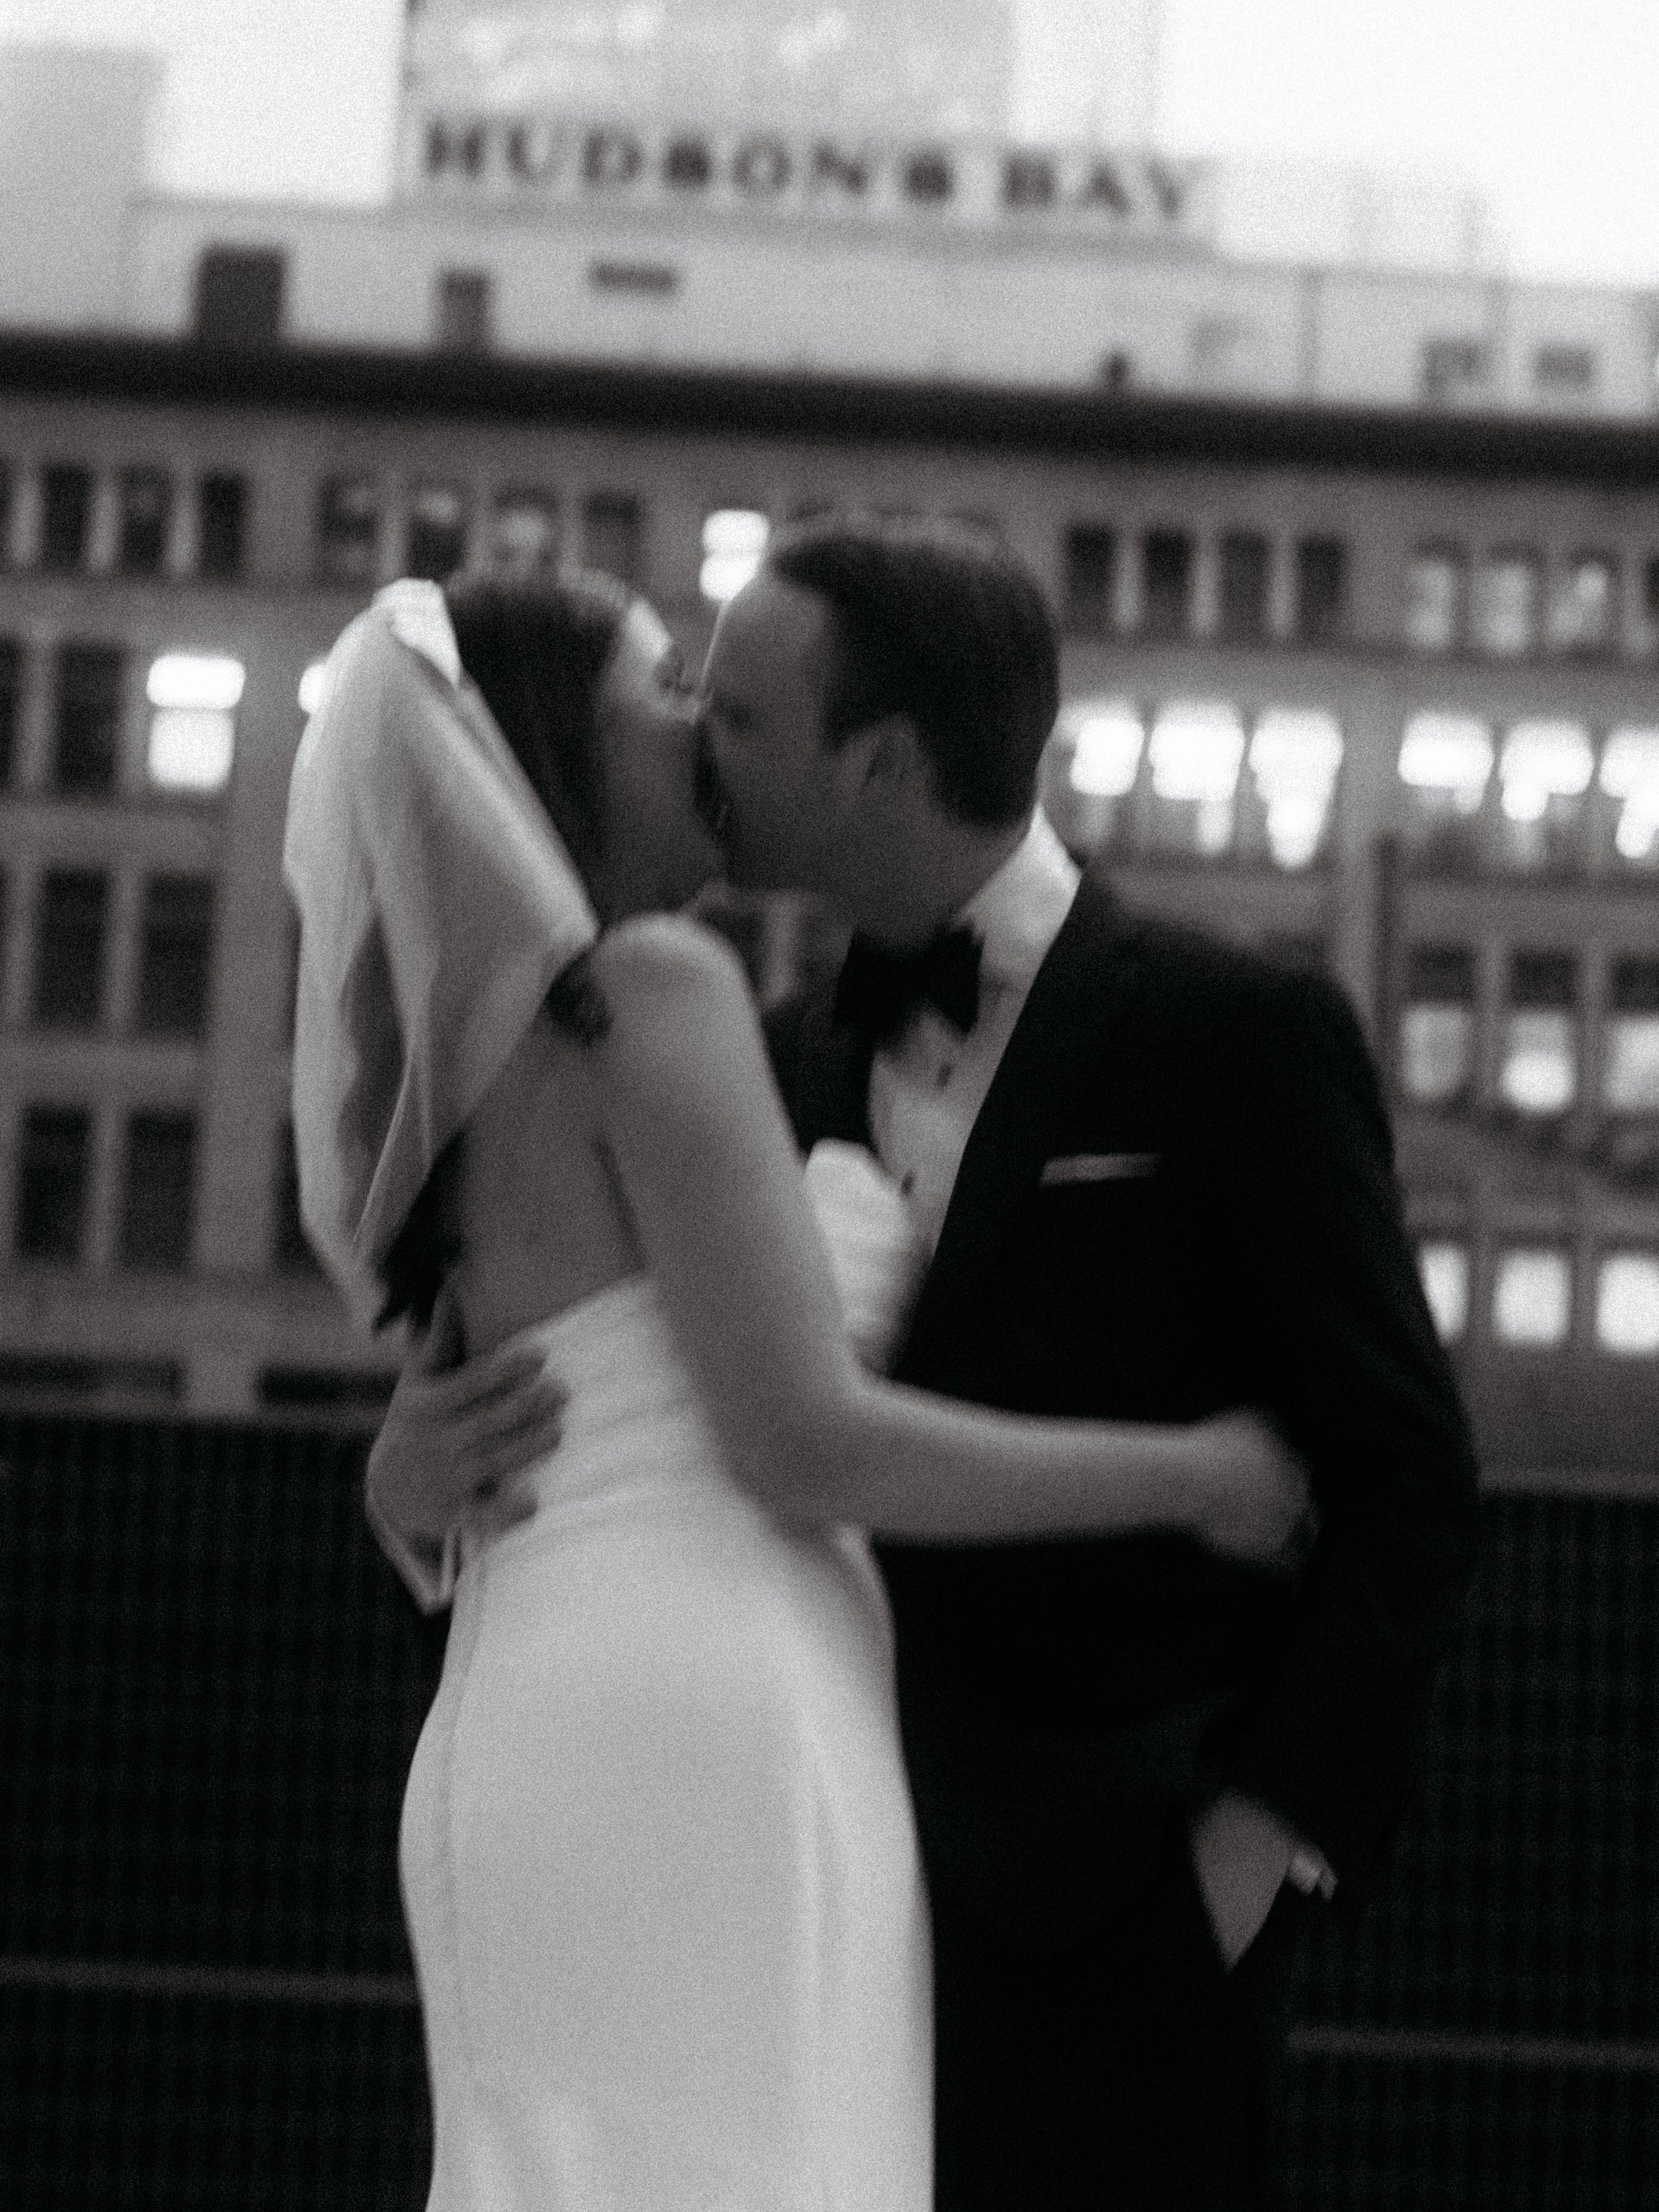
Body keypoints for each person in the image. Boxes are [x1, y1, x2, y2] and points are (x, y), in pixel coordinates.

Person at [374, 513, 1482, 2211]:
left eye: (732, 711)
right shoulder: (739, 1051)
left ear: (879, 758)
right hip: (784, 1866)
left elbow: (1402, 1482)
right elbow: (549, 1379)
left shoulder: (1232, 1036)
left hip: (1115, 1914)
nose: (696, 742)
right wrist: (401, 1472)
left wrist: (1246, 1856)